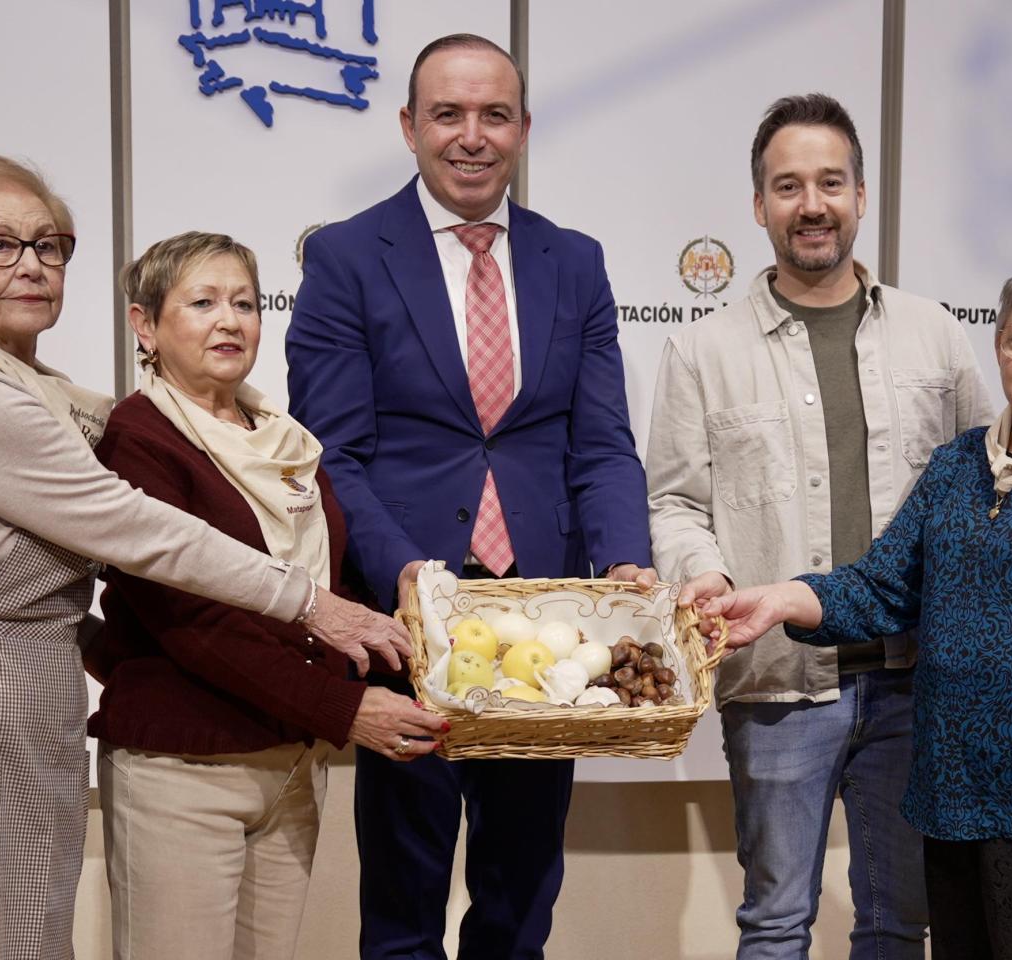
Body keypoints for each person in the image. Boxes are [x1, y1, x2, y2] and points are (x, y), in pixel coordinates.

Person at [0, 154, 410, 959]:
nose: (32, 266)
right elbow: (140, 529)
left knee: (9, 931)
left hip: (14, 687)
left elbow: (112, 436)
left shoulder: (32, 384)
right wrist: (314, 605)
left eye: (51, 246)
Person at [700, 245, 1012, 960]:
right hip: (952, 794)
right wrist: (782, 599)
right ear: (998, 344)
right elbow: (882, 588)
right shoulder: (960, 465)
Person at [286, 34, 653, 960]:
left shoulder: (576, 260)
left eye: (495, 114)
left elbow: (602, 442)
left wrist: (622, 567)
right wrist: (406, 572)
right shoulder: (345, 257)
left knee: (520, 903)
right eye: (448, 114)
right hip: (411, 624)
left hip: (551, 625)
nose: (472, 136)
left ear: (524, 129)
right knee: (403, 904)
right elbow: (332, 453)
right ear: (409, 127)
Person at [648, 93, 991, 958]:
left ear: (862, 196)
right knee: (773, 923)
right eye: (788, 185)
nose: (813, 205)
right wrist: (708, 575)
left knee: (896, 924)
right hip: (775, 682)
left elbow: (997, 480)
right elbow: (677, 502)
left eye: (830, 182)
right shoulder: (703, 349)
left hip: (915, 680)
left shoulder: (937, 337)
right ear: (759, 206)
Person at [88, 232, 446, 959]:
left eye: (245, 303)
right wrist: (346, 710)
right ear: (145, 325)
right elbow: (190, 621)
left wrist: (445, 667)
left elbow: (331, 596)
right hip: (184, 768)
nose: (230, 320)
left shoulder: (288, 441)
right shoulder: (140, 439)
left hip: (290, 764)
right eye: (203, 302)